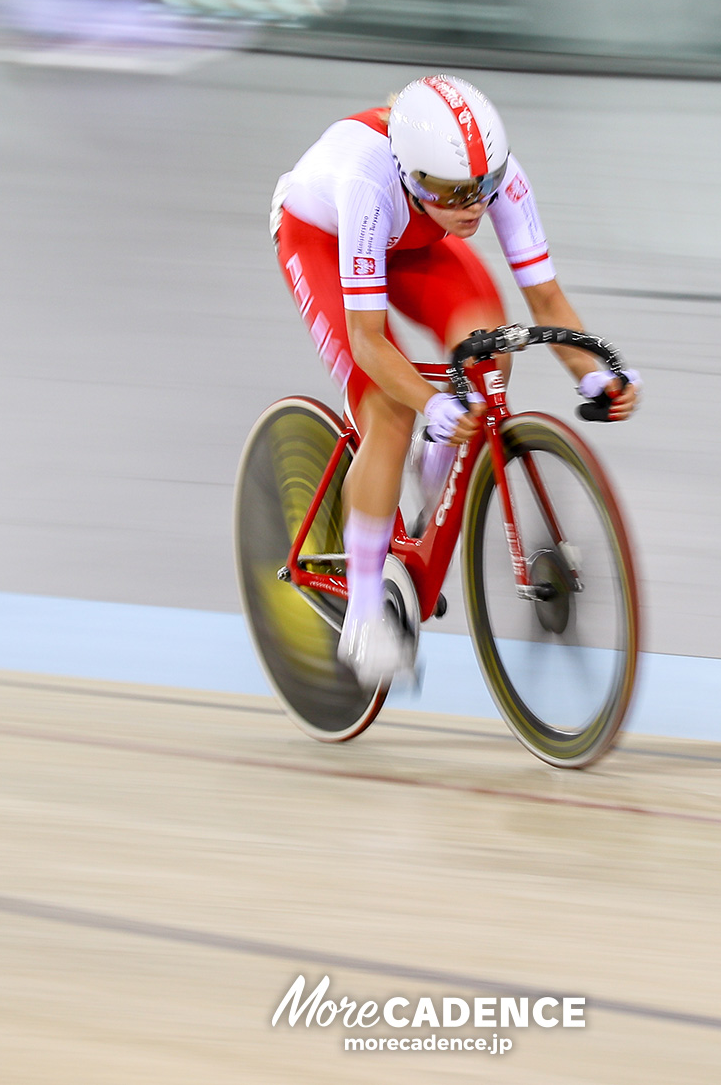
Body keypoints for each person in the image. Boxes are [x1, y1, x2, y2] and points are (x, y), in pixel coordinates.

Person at [269, 75, 639, 687]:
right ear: (414, 176)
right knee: (390, 413)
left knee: (487, 355)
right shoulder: (368, 178)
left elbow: (544, 298)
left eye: (484, 190)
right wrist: (429, 402)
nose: (474, 206)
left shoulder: (492, 176)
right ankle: (364, 612)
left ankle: (434, 469)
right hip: (324, 238)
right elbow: (368, 341)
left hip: (413, 240)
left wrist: (596, 375)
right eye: (455, 192)